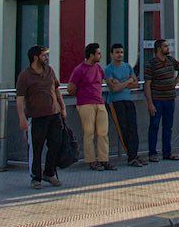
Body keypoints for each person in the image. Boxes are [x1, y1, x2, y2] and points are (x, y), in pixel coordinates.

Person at [15, 44, 66, 189]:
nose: (47, 58)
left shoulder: (49, 71)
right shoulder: (25, 76)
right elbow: (19, 98)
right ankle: (35, 177)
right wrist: (21, 118)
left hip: (54, 114)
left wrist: (62, 108)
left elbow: (57, 90)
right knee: (36, 148)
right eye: (44, 55)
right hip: (37, 117)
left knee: (55, 144)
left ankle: (49, 173)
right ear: (35, 57)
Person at [68, 42, 115, 171]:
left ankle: (103, 159)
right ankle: (91, 160)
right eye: (98, 53)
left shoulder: (99, 68)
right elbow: (70, 88)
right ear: (91, 55)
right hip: (85, 103)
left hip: (99, 102)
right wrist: (82, 93)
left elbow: (107, 80)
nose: (100, 56)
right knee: (89, 133)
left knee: (103, 132)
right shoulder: (79, 69)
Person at [105, 43, 146, 167]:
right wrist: (127, 81)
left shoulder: (127, 66)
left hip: (128, 100)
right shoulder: (108, 69)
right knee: (123, 128)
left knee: (133, 127)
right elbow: (114, 88)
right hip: (115, 102)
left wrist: (123, 82)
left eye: (121, 52)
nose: (119, 55)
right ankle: (131, 156)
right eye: (117, 52)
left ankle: (134, 155)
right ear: (112, 54)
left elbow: (135, 84)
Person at [144, 38, 179, 162]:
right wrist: (150, 103)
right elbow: (147, 85)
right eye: (165, 46)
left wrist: (175, 82)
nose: (168, 48)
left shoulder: (170, 60)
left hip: (170, 98)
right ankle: (152, 153)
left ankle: (167, 152)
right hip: (157, 99)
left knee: (168, 126)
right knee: (154, 126)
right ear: (158, 48)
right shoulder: (151, 63)